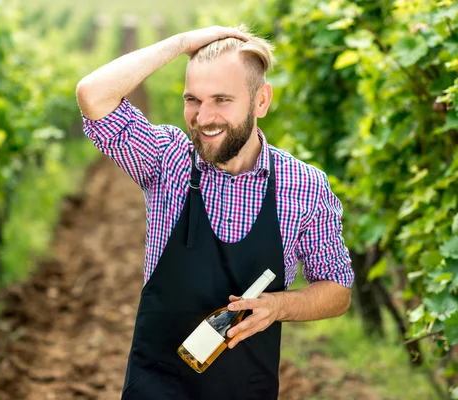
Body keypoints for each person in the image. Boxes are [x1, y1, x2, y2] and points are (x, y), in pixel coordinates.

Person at [76, 24, 354, 400]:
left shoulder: (304, 185)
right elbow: (93, 95)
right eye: (193, 99)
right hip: (158, 388)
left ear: (261, 101)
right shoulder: (166, 160)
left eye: (221, 99)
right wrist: (182, 43)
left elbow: (337, 288)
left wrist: (279, 306)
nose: (204, 117)